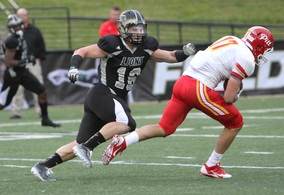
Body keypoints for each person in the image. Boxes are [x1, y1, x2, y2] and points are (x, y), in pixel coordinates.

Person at [30, 9, 196, 181]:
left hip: (109, 100)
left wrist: (185, 52)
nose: (138, 33)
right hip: (103, 93)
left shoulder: (147, 46)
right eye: (134, 29)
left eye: (140, 29)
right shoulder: (112, 44)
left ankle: (43, 166)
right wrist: (74, 67)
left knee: (79, 143)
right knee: (127, 123)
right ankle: (87, 148)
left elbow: (168, 56)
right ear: (123, 29)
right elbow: (82, 51)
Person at [102, 26, 274, 179]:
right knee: (235, 123)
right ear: (259, 46)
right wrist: (235, 94)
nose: (264, 53)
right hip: (199, 88)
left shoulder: (231, 39)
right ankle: (211, 166)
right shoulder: (247, 59)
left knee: (165, 127)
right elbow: (229, 98)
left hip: (183, 82)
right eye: (265, 49)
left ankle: (124, 142)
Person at [0, 14, 61, 128]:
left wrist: (25, 60)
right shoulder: (12, 41)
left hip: (23, 72)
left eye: (19, 25)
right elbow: (8, 62)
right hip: (13, 75)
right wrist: (25, 60)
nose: (18, 28)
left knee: (42, 91)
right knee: (2, 103)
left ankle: (45, 119)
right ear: (10, 28)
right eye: (15, 27)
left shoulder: (20, 37)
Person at [10, 8, 46, 119]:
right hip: (18, 64)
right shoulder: (13, 32)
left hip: (32, 63)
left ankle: (41, 110)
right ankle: (16, 111)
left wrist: (39, 58)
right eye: (19, 15)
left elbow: (41, 46)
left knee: (38, 86)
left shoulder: (34, 30)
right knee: (17, 88)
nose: (21, 17)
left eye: (23, 15)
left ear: (27, 16)